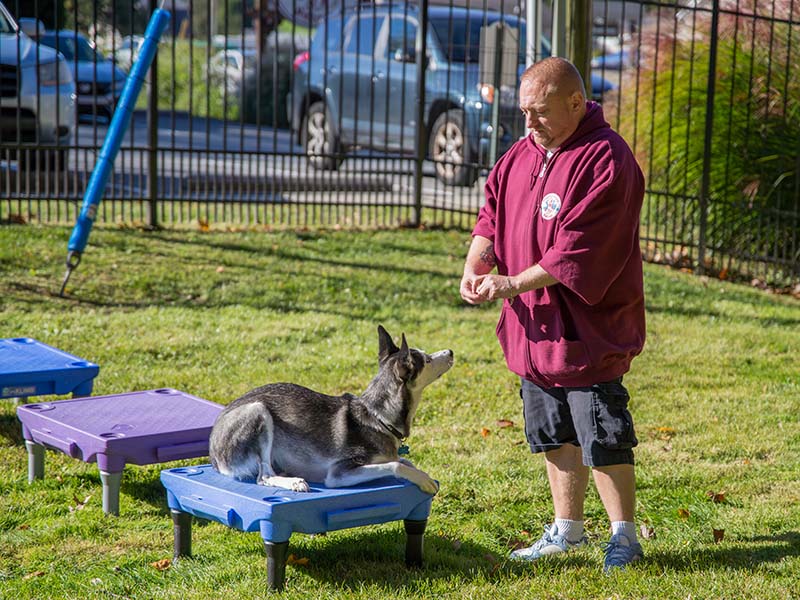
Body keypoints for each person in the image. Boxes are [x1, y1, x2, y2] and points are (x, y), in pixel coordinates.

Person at [460, 57, 646, 573]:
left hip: (589, 330)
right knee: (552, 431)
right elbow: (490, 215)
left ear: (574, 102)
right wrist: (477, 264)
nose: (528, 123)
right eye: (523, 112)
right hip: (534, 328)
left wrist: (513, 282)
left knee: (603, 432)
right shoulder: (521, 153)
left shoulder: (607, 158)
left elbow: (582, 250)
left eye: (539, 112)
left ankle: (624, 538)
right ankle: (568, 530)